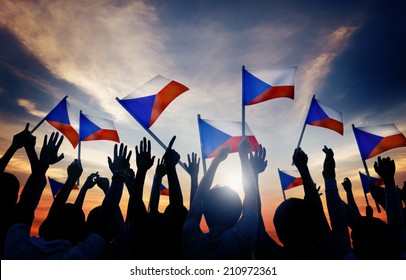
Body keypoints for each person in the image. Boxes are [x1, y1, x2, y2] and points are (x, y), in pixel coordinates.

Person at [182, 137, 258, 259]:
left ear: (204, 212)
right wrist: (244, 156)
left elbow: (196, 203)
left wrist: (216, 161)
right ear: (238, 213)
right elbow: (252, 195)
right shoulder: (242, 238)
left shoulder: (192, 240)